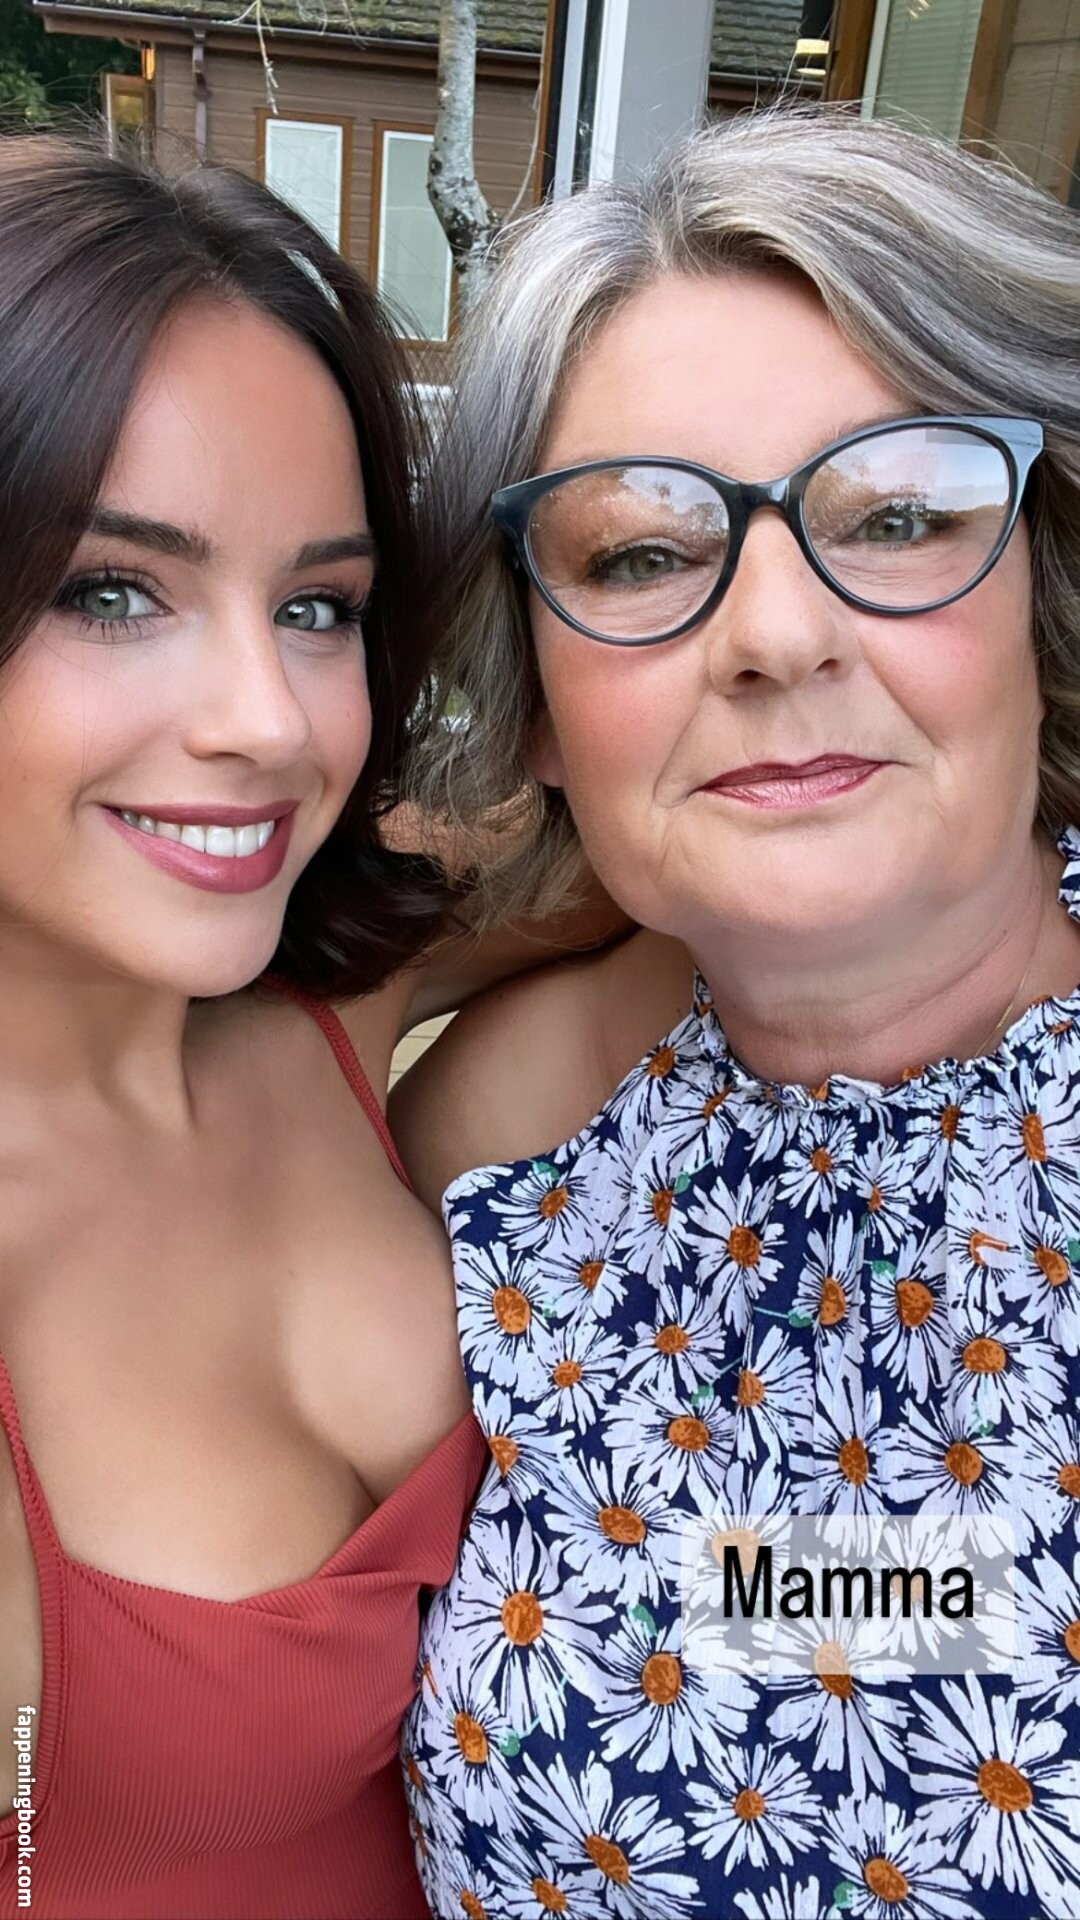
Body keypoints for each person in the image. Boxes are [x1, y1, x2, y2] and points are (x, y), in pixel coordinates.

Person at [392, 108, 1080, 1920]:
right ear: (535, 705)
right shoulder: (508, 1145)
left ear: (1046, 592)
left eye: (900, 515)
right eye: (640, 555)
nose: (776, 633)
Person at [0, 132, 618, 1920]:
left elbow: (687, 857)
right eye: (112, 589)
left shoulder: (337, 971)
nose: (270, 722)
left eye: (316, 606)